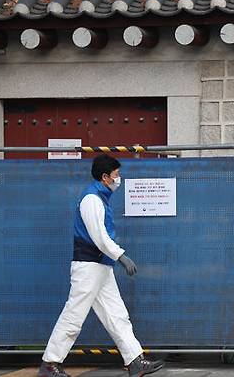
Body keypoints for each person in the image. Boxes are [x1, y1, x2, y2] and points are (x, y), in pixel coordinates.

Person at [38, 154, 165, 377]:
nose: (119, 179)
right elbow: (99, 236)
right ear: (105, 177)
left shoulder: (98, 197)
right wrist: (121, 256)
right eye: (116, 175)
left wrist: (114, 257)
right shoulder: (92, 199)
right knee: (74, 315)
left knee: (116, 314)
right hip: (89, 266)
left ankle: (135, 360)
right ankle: (50, 363)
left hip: (98, 266)